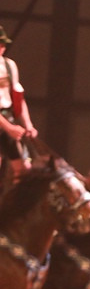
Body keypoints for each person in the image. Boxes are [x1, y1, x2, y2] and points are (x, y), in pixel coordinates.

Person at [0, 26, 38, 186]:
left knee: (24, 169)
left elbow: (18, 98)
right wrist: (9, 128)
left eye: (3, 44)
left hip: (7, 119)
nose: (2, 48)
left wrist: (28, 125)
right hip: (5, 124)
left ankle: (18, 207)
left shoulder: (9, 66)